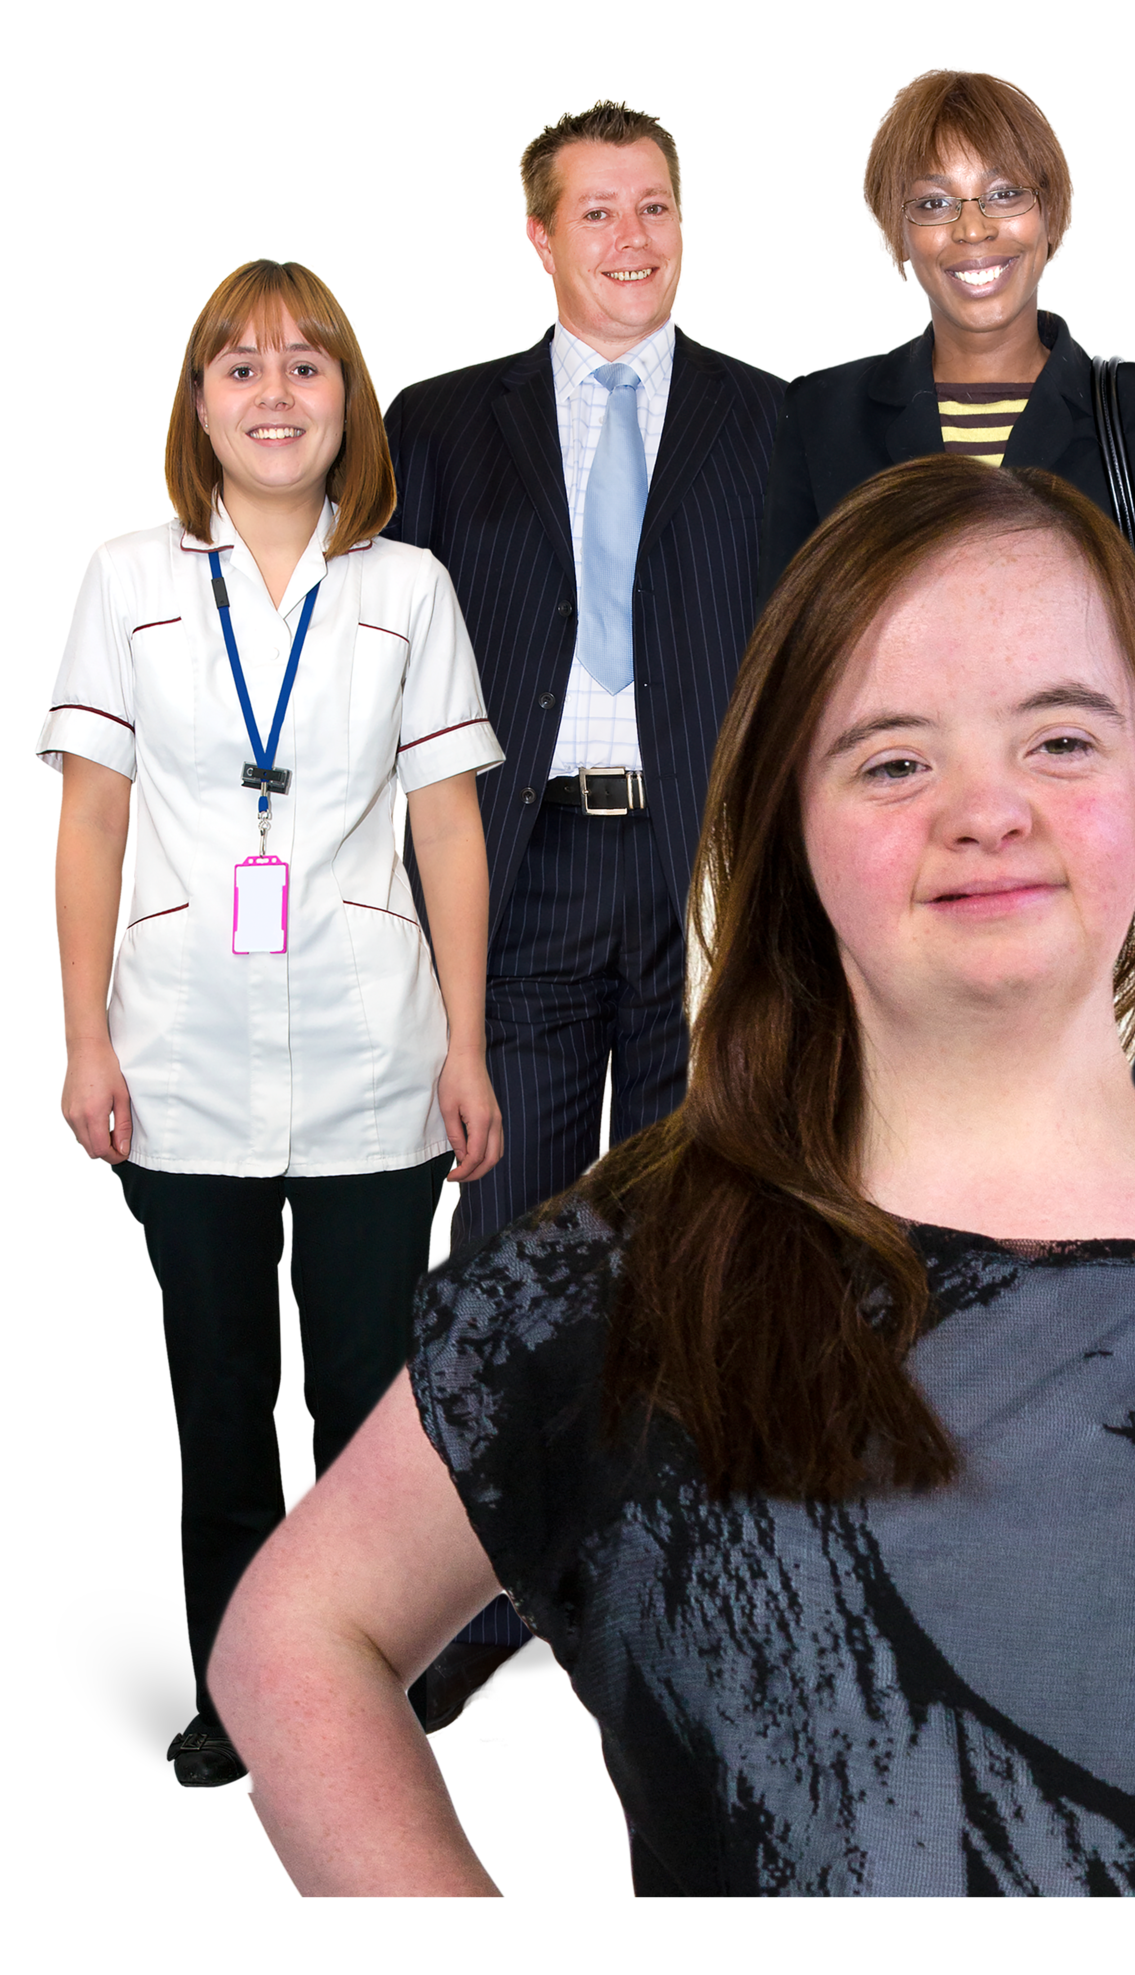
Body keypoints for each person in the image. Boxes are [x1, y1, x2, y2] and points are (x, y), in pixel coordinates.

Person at [210, 456, 1135, 1898]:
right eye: (892, 758)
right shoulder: (633, 1268)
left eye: (1061, 737)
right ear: (790, 827)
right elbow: (300, 1631)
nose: (985, 807)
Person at [42, 258, 505, 1789]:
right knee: (223, 1413)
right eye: (238, 368)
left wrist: (467, 1042)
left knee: (380, 1422)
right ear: (197, 407)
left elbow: (447, 829)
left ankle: (389, 1697)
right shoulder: (127, 579)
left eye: (307, 366)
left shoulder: (407, 589)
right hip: (180, 1056)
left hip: (379, 1056)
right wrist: (84, 1044)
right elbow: (90, 823)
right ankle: (236, 1704)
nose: (274, 393)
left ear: (349, 403)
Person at [381, 99, 783, 1695]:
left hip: (706, 883)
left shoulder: (777, 418)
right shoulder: (439, 421)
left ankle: (689, 1572)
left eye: (658, 207)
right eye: (598, 214)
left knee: (712, 1234)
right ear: (540, 238)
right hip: (519, 868)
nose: (635, 240)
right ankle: (485, 1596)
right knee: (511, 1237)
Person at [757, 66, 1135, 1130]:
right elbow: (785, 690)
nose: (972, 229)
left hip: (1108, 927)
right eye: (932, 202)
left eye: (1002, 193)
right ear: (895, 233)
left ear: (1051, 214)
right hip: (900, 932)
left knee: (1115, 1258)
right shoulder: (822, 418)